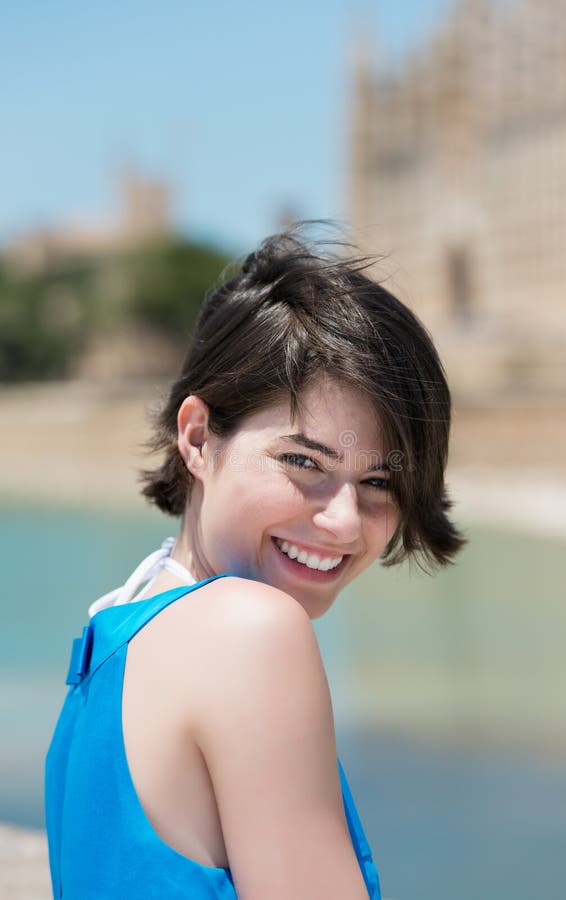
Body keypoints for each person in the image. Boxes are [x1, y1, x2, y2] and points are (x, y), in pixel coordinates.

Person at [45, 227, 465, 899]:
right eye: (304, 463)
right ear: (196, 437)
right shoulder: (250, 631)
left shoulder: (113, 630)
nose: (345, 521)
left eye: (380, 483)